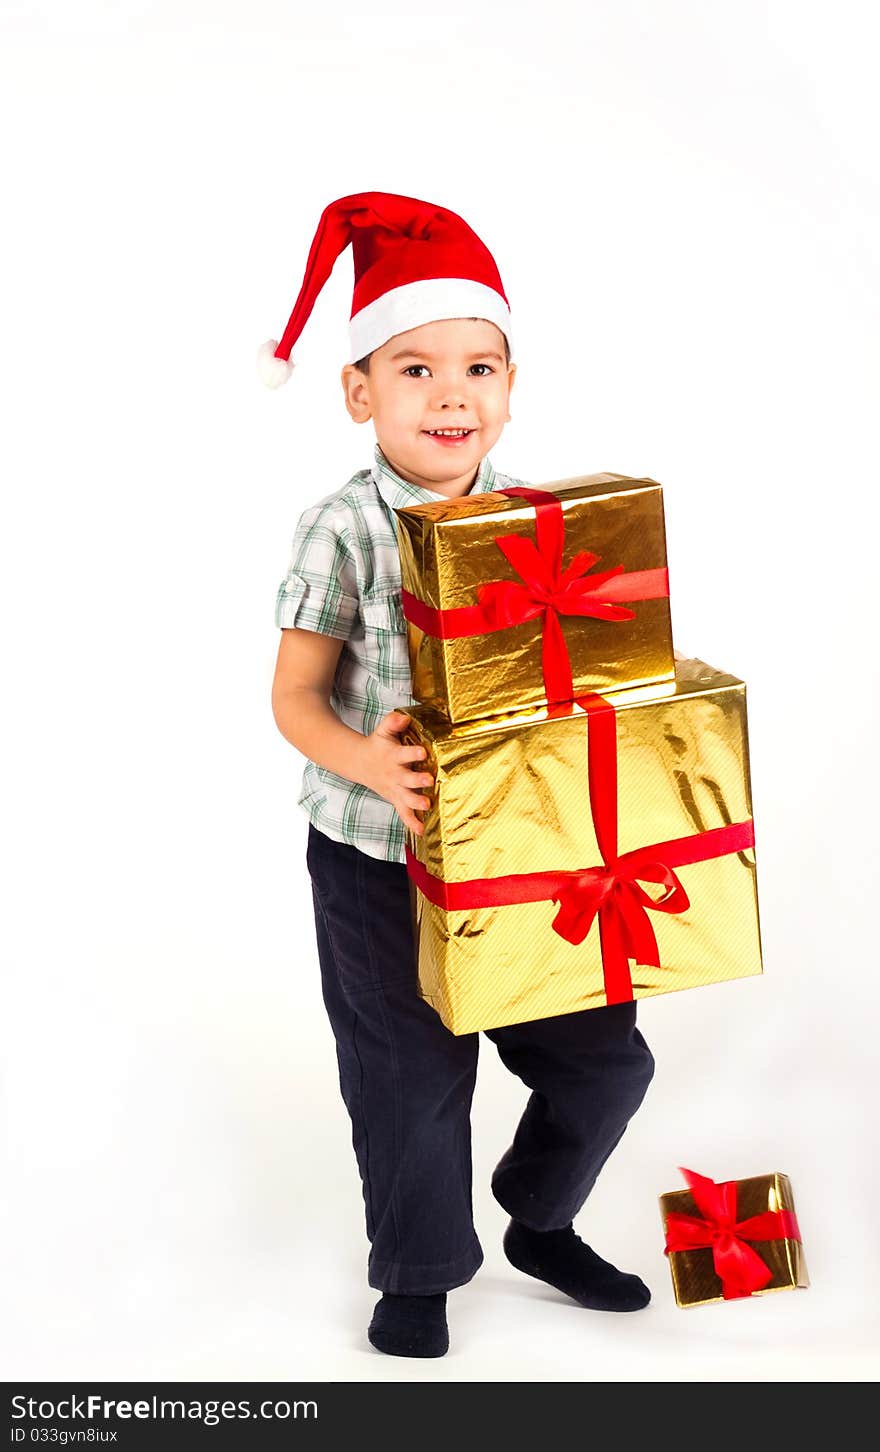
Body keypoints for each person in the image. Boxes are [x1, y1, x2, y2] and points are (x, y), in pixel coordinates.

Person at [264, 192, 655, 1359]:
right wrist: (366, 760)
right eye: (414, 367)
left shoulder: (542, 524)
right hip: (380, 860)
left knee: (604, 1058)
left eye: (477, 367)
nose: (450, 393)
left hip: (524, 855)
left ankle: (540, 1218)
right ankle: (422, 1271)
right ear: (358, 393)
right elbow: (291, 699)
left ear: (510, 386)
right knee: (408, 1079)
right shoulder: (342, 527)